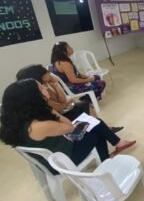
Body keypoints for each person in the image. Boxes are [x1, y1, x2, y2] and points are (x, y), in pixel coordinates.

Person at [0, 79, 135, 172]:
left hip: (51, 155)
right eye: (41, 88)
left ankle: (116, 146)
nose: (45, 88)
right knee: (96, 130)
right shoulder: (38, 125)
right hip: (62, 161)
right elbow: (69, 127)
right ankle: (107, 160)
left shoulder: (17, 119)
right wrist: (48, 107)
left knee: (94, 124)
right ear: (33, 97)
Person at [15, 64, 123, 133]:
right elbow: (59, 108)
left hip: (59, 112)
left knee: (85, 105)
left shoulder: (47, 84)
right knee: (84, 106)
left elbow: (62, 100)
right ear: (40, 77)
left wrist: (56, 84)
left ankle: (103, 128)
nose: (49, 73)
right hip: (55, 119)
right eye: (46, 72)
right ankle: (103, 129)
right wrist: (66, 103)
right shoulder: (38, 94)